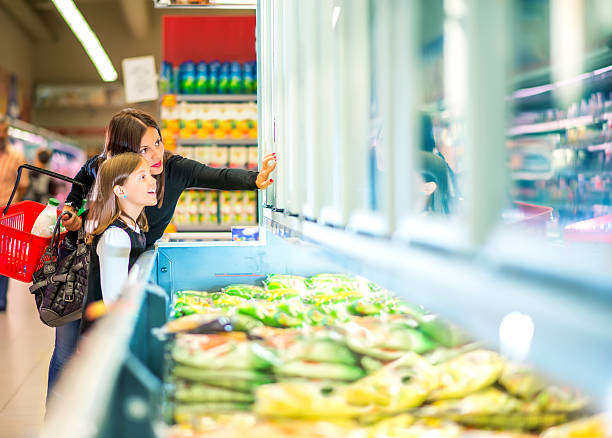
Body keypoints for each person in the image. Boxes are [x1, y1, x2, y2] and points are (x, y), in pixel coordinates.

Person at [46, 108, 276, 400]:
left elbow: (216, 175)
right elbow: (79, 185)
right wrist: (70, 208)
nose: (156, 155)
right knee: (69, 353)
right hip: (85, 264)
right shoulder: (105, 169)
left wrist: (256, 179)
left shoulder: (172, 168)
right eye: (144, 149)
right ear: (124, 156)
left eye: (158, 142)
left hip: (133, 259)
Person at [81, 152, 158, 333]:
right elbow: (114, 301)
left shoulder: (134, 226)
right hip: (104, 338)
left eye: (150, 175)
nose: (153, 181)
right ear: (120, 191)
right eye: (142, 177)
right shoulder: (116, 236)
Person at [0, 119, 29, 312]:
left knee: (3, 258)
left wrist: (12, 200)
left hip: (6, 212)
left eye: (4, 131)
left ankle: (1, 299)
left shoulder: (17, 155)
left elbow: (24, 183)